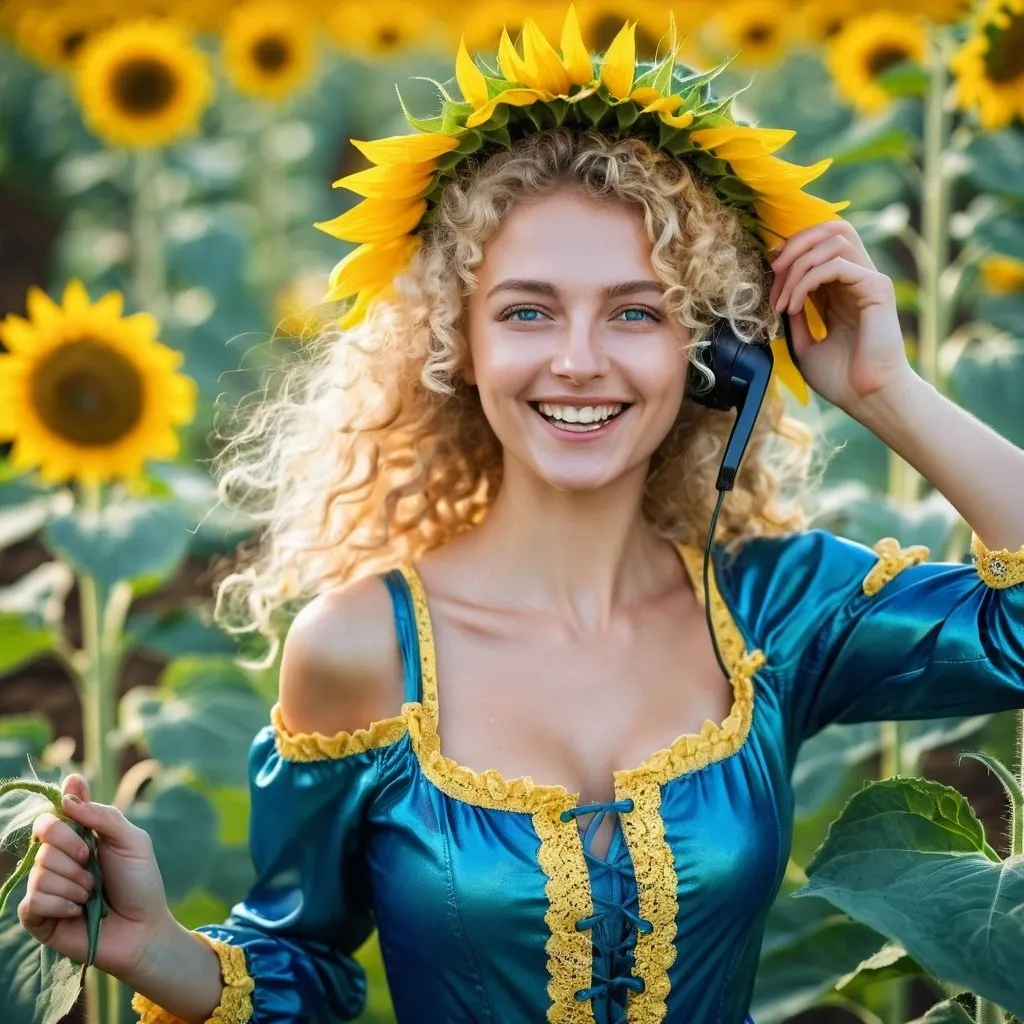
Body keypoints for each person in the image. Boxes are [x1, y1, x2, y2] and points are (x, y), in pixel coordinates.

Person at [18, 8, 1024, 1024]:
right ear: (457, 344)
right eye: (528, 310)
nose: (577, 359)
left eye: (635, 311)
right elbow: (298, 969)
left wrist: (885, 390)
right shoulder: (361, 648)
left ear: (711, 356)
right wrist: (158, 949)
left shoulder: (772, 613)